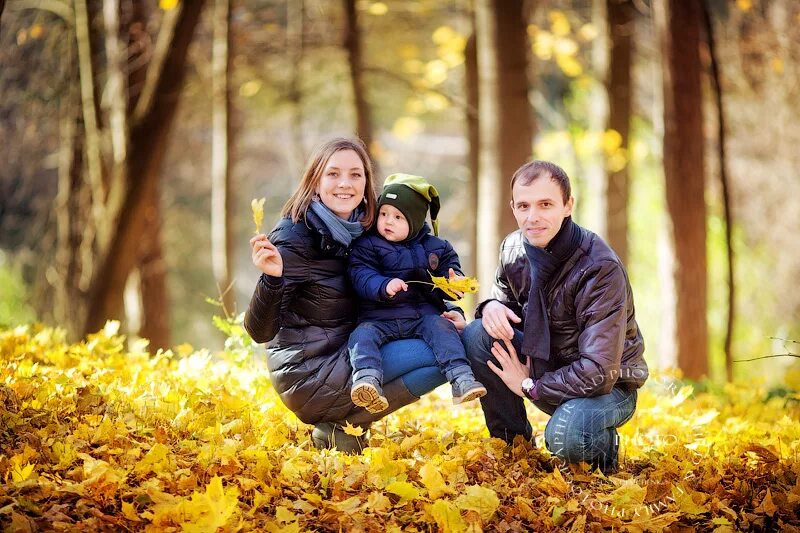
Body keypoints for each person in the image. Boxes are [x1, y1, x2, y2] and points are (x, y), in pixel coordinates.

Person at [244, 138, 462, 453]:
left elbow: (409, 283)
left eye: (355, 175)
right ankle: (342, 423)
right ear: (315, 182)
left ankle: (344, 428)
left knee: (450, 336)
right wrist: (272, 278)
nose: (345, 184)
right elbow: (259, 331)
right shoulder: (295, 236)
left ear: (366, 183)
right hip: (309, 371)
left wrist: (449, 308)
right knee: (444, 351)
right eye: (333, 174)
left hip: (355, 349)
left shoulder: (371, 227)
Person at [462, 160, 648, 473]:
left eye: (545, 204)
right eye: (523, 206)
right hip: (545, 368)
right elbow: (505, 300)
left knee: (565, 436)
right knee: (478, 334)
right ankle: (514, 448)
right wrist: (491, 306)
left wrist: (529, 385)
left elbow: (599, 371)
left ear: (567, 205)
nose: (532, 217)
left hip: (608, 387)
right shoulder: (512, 248)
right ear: (513, 207)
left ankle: (601, 448)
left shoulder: (599, 267)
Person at [347, 174, 486, 413]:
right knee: (361, 337)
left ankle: (461, 377)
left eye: (398, 217)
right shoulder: (368, 245)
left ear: (416, 220)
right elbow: (360, 274)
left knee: (444, 329)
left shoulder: (438, 247)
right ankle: (367, 380)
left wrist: (454, 284)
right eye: (383, 214)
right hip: (379, 317)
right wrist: (383, 285)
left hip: (422, 316)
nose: (388, 221)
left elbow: (450, 274)